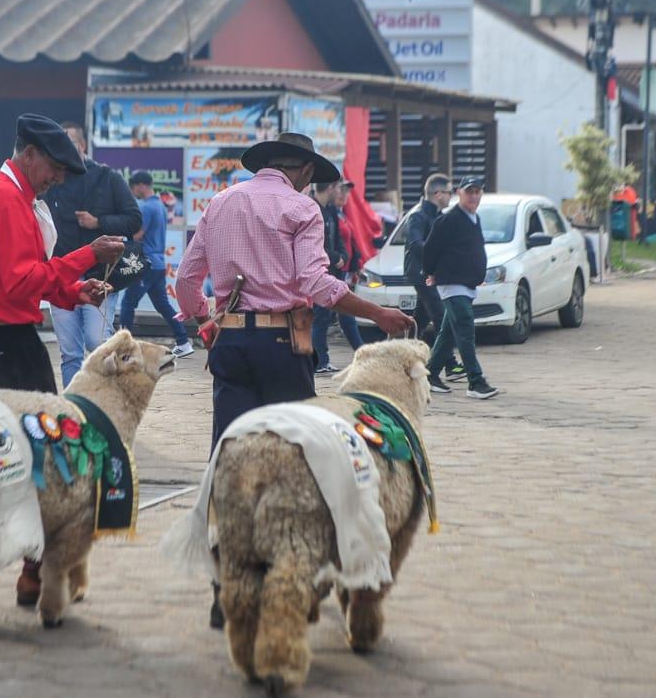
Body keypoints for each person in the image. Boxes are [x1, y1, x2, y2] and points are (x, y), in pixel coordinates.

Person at [176, 132, 414, 627]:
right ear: (304, 171)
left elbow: (185, 281)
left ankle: (227, 592)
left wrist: (205, 322)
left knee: (230, 460)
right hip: (283, 348)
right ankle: (292, 581)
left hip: (232, 347)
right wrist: (377, 313)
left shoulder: (220, 203)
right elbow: (315, 284)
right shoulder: (301, 209)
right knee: (297, 466)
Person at [0, 114, 125, 607]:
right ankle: (31, 570)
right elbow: (20, 282)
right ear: (28, 155)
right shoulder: (5, 199)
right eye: (54, 169)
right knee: (38, 453)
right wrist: (87, 256)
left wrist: (74, 291)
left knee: (8, 456)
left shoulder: (14, 196)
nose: (57, 180)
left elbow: (28, 278)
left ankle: (6, 564)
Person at [42, 122, 142, 387]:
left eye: (69, 144)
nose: (62, 152)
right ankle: (73, 406)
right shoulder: (51, 181)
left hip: (100, 275)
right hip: (61, 274)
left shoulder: (107, 177)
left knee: (97, 342)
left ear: (82, 145)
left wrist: (98, 222)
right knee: (70, 353)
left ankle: (106, 399)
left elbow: (134, 220)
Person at [422, 176, 498, 400]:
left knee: (448, 334)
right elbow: (430, 248)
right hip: (452, 285)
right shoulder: (449, 219)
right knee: (465, 330)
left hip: (466, 285)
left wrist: (477, 274)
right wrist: (430, 272)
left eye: (477, 191)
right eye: (469, 191)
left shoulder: (474, 218)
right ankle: (476, 381)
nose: (473, 196)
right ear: (459, 193)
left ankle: (430, 375)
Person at [118, 170, 193, 357]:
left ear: (141, 186)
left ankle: (124, 348)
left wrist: (119, 238)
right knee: (163, 305)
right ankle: (183, 342)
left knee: (127, 303)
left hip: (145, 263)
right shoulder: (160, 205)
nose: (133, 192)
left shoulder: (146, 207)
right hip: (158, 264)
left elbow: (138, 235)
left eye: (133, 188)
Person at [403, 173, 465, 382]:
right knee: (442, 316)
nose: (451, 196)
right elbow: (415, 245)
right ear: (438, 194)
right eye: (449, 192)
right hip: (421, 273)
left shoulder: (438, 215)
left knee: (419, 320)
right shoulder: (418, 215)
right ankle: (450, 365)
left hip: (432, 273)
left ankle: (403, 357)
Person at [309, 180, 363, 373]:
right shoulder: (312, 209)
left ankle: (362, 355)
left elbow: (340, 240)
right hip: (320, 273)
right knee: (322, 318)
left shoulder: (332, 211)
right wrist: (335, 257)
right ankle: (320, 361)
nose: (343, 193)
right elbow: (316, 244)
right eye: (340, 188)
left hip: (336, 272)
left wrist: (345, 258)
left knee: (344, 315)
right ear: (331, 188)